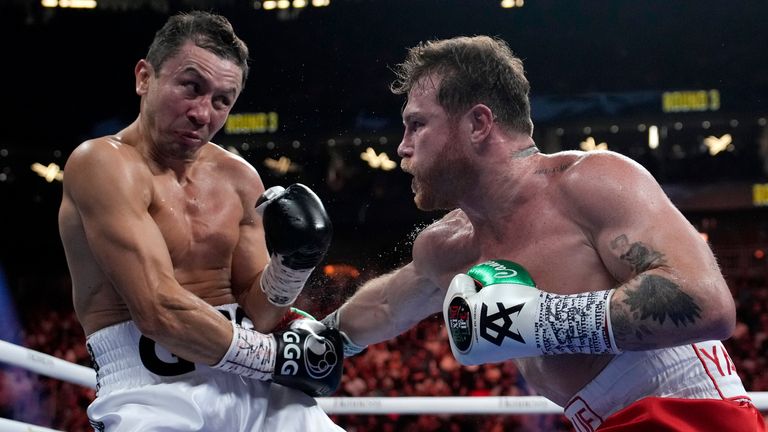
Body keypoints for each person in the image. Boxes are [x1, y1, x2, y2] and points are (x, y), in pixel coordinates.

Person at [321, 35, 766, 431]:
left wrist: (541, 322)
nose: (401, 146)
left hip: (693, 415)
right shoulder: (447, 248)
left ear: (479, 124)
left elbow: (709, 304)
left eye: (417, 124)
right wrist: (315, 340)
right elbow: (386, 305)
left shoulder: (590, 182)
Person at [58, 11, 344, 432]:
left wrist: (291, 269)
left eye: (222, 100)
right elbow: (157, 311)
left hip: (254, 383)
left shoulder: (240, 178)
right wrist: (272, 358)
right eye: (191, 87)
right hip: (151, 394)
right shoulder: (101, 163)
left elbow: (260, 312)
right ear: (144, 78)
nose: (202, 113)